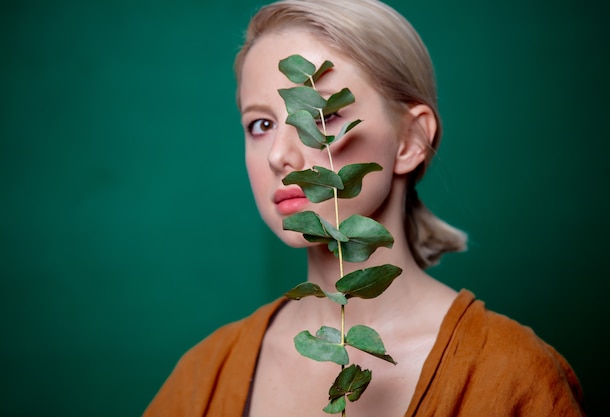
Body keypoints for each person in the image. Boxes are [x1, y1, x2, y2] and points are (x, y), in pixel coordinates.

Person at [143, 0, 585, 416]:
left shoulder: (511, 377)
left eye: (320, 117)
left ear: (411, 140)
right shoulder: (205, 377)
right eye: (260, 124)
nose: (280, 155)